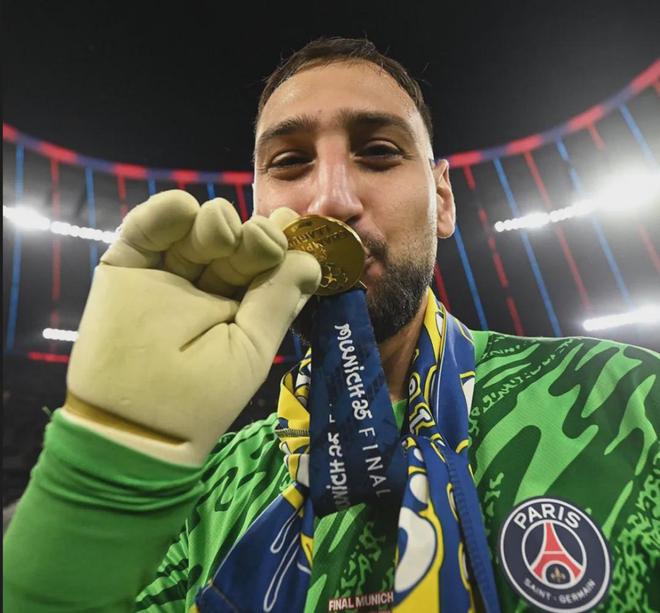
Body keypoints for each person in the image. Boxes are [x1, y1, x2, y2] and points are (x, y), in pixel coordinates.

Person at [3, 37, 658, 613]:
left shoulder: (629, 400)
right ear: (257, 207)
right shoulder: (201, 489)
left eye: (379, 151)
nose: (331, 200)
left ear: (442, 200)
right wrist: (102, 472)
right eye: (290, 162)